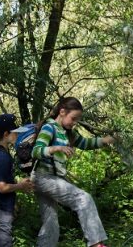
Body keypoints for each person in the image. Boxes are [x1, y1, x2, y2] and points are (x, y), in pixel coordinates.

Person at [30, 97, 115, 247]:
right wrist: (55, 148)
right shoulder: (49, 128)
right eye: (73, 118)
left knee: (51, 225)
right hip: (43, 178)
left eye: (77, 120)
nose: (74, 122)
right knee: (84, 199)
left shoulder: (67, 132)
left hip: (50, 181)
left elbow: (86, 143)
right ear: (62, 112)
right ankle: (97, 244)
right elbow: (36, 151)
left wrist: (105, 140)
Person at [0, 113, 34, 247]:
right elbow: (1, 187)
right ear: (6, 134)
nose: (18, 135)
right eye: (15, 133)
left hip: (1, 208)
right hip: (0, 210)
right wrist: (20, 186)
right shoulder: (1, 157)